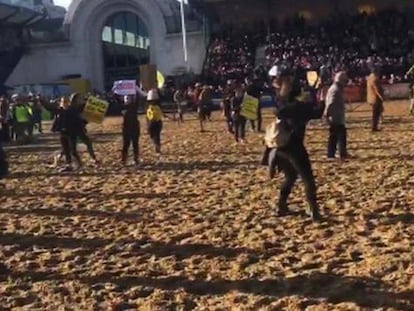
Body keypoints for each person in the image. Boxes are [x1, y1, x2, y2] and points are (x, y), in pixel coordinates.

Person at [262, 66, 325, 221]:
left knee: (290, 176)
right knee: (307, 179)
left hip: (280, 145)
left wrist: (311, 98)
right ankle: (313, 210)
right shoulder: (294, 103)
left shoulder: (280, 98)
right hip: (294, 145)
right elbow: (316, 112)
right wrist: (318, 99)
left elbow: (287, 110)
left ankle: (281, 205)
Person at [325, 71, 348, 160]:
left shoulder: (337, 89)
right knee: (335, 135)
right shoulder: (335, 89)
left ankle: (341, 153)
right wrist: (326, 113)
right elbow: (330, 103)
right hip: (335, 117)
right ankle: (332, 154)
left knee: (339, 135)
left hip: (338, 116)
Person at [121, 95, 140, 166]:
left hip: (134, 128)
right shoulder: (122, 107)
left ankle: (136, 159)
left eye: (128, 98)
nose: (127, 100)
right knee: (126, 145)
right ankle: (124, 160)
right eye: (126, 98)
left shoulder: (134, 106)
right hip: (126, 129)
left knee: (135, 144)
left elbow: (138, 99)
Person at [146, 89, 163, 154]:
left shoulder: (150, 108)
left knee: (152, 135)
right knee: (157, 135)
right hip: (158, 122)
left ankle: (156, 145)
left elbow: (149, 117)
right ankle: (157, 146)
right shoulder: (158, 107)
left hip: (152, 122)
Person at [367, 67, 384, 132]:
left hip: (371, 98)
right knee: (376, 113)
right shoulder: (375, 79)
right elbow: (377, 90)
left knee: (375, 113)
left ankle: (374, 126)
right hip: (375, 98)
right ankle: (374, 127)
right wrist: (382, 97)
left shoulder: (369, 77)